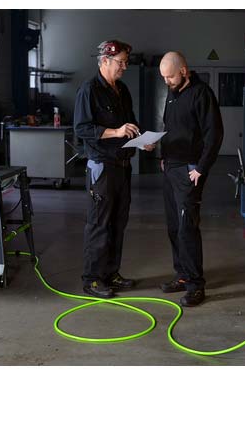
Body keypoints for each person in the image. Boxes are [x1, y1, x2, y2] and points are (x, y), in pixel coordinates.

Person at [74, 40, 155, 298]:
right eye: (121, 62)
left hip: (122, 167)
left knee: (118, 223)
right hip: (102, 167)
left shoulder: (122, 90)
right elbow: (82, 129)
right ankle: (92, 280)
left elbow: (130, 124)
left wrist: (142, 141)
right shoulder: (89, 90)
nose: (124, 67)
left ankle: (111, 273)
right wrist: (116, 132)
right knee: (99, 223)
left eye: (126, 62)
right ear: (105, 61)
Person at [159, 51, 224, 307]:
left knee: (187, 228)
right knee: (174, 226)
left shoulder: (201, 94)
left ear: (184, 71)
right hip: (170, 167)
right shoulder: (172, 93)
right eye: (164, 77)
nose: (167, 82)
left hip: (189, 170)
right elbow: (170, 128)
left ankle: (196, 285)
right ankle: (183, 275)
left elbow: (214, 134)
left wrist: (201, 168)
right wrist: (164, 156)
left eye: (170, 77)